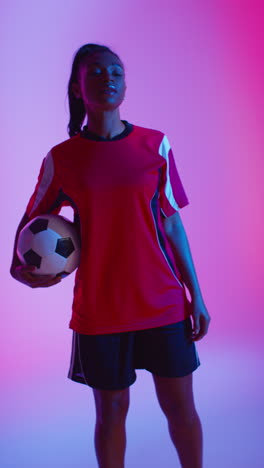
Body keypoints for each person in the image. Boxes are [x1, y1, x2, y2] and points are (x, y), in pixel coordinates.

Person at [10, 43, 211, 468]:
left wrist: (197, 295)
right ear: (78, 87)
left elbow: (172, 224)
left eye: (115, 71)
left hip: (162, 303)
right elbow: (31, 223)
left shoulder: (154, 145)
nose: (108, 78)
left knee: (180, 410)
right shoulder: (62, 159)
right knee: (111, 413)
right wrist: (21, 269)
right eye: (96, 72)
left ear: (125, 85)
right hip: (100, 309)